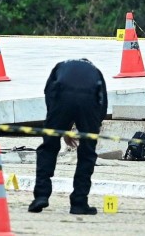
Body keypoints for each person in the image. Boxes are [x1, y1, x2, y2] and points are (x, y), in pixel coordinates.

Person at [29, 58, 107, 215]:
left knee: (48, 148)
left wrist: (59, 127)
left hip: (61, 97)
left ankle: (41, 196)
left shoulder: (60, 67)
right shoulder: (96, 72)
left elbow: (49, 93)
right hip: (88, 100)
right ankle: (79, 202)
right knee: (87, 153)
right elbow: (102, 103)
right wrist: (92, 130)